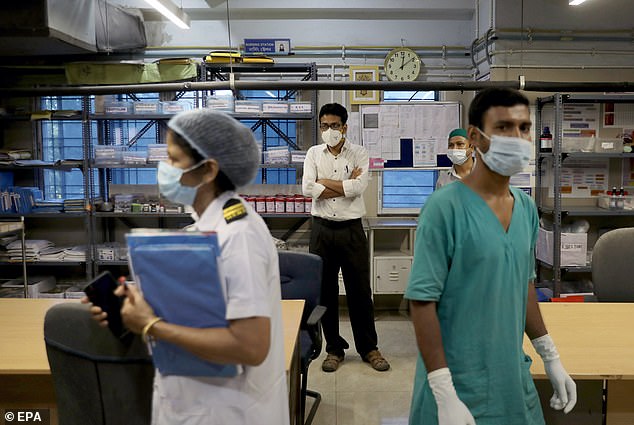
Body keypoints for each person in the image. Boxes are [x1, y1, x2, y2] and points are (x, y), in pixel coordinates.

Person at [83, 109, 289, 425]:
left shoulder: (238, 234)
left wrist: (151, 326)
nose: (164, 169)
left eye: (173, 159)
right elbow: (204, 306)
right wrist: (135, 304)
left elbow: (251, 346)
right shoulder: (204, 227)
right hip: (193, 400)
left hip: (229, 410)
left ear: (208, 170)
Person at [405, 88, 577, 425]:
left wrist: (549, 354)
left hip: (510, 379)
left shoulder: (526, 208)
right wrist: (443, 392)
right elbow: (422, 302)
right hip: (457, 381)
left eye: (524, 128)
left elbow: (524, 283)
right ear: (474, 136)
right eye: (503, 128)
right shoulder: (444, 209)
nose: (517, 137)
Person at [302, 102, 389, 373]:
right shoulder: (314, 153)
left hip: (352, 230)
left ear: (345, 127)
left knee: (360, 292)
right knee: (325, 293)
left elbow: (359, 187)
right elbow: (307, 188)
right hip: (322, 231)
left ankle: (368, 348)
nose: (330, 130)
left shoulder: (360, 153)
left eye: (335, 126)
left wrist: (324, 183)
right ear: (320, 127)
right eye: (325, 126)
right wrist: (343, 185)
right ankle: (333, 349)